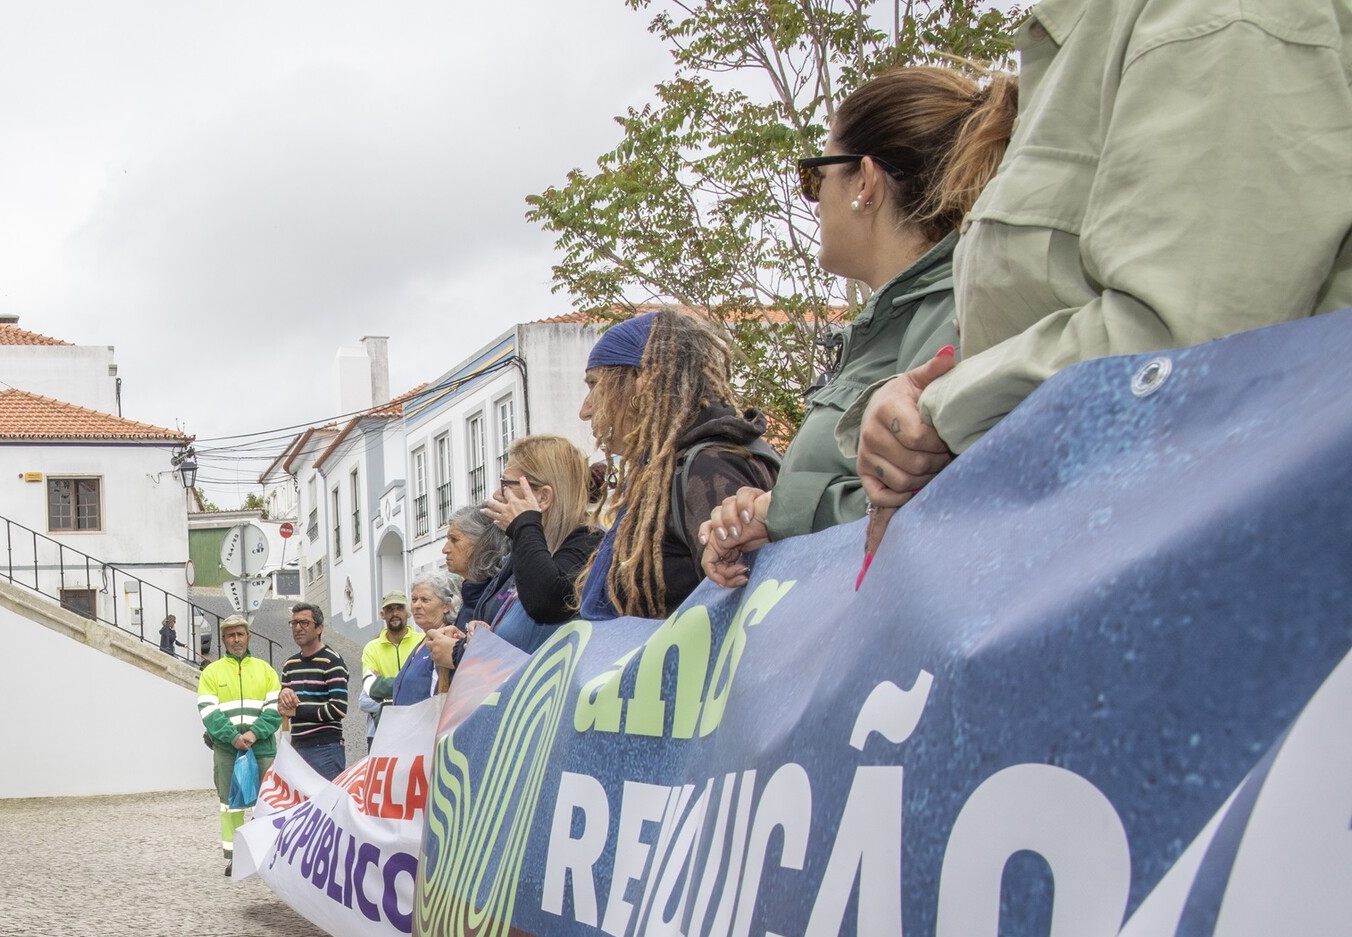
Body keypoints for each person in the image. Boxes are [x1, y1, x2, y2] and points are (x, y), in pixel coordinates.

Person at [857, 0, 1352, 528]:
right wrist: (911, 403)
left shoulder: (1207, 13)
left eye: (818, 181)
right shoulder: (1075, 41)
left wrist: (943, 406)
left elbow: (1196, 347)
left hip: (1223, 552)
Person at [698, 66, 1000, 583]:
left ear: (865, 182)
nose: (813, 201)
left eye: (816, 177)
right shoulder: (888, 325)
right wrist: (763, 514)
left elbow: (946, 502)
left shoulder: (961, 312)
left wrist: (781, 513)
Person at [574, 310, 779, 620]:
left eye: (595, 385)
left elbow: (747, 613)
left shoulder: (708, 467)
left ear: (642, 383)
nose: (585, 410)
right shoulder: (667, 470)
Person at [476, 435, 601, 646]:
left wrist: (524, 524)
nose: (498, 494)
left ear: (543, 497)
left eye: (506, 484)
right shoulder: (533, 545)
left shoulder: (589, 543)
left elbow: (547, 601)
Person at [196, 614, 281, 866]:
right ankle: (236, 859)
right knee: (230, 806)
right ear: (223, 640)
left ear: (249, 637)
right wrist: (233, 738)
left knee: (265, 804)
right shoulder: (211, 672)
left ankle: (265, 856)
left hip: (263, 748)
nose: (236, 639)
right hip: (227, 750)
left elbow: (275, 709)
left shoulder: (266, 671)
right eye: (231, 635)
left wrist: (254, 734)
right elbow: (208, 712)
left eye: (240, 634)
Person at [276, 602, 349, 781]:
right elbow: (283, 707)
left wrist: (298, 711)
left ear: (319, 628)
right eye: (294, 623)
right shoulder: (289, 665)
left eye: (304, 623)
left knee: (327, 806)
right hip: (297, 748)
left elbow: (339, 708)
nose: (298, 628)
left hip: (326, 748)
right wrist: (282, 697)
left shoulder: (332, 661)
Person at [394, 570, 465, 705]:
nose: (417, 605)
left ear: (446, 606)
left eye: (424, 600)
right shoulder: (423, 641)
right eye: (414, 600)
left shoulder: (447, 640)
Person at [358, 595, 417, 733]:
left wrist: (384, 686)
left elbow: (427, 683)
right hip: (381, 729)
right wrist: (412, 682)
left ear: (408, 612)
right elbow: (370, 686)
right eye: (390, 609)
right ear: (382, 614)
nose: (395, 613)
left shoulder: (422, 642)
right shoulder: (371, 648)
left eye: (399, 608)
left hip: (417, 725)